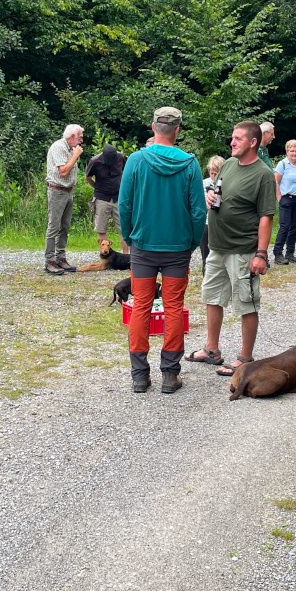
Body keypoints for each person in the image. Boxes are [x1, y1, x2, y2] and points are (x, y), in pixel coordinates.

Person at [117, 107, 207, 395]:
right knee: (173, 308)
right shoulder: (190, 164)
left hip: (143, 246)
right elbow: (197, 211)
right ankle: (170, 374)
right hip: (178, 248)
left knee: (141, 306)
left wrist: (130, 236)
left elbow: (124, 204)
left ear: (154, 127)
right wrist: (192, 242)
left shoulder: (136, 160)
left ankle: (140, 376)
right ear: (177, 130)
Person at [186, 121, 274, 378]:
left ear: (253, 142)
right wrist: (210, 197)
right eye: (232, 138)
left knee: (246, 303)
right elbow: (217, 192)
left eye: (237, 139)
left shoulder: (263, 174)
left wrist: (261, 254)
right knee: (212, 296)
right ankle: (211, 350)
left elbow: (267, 216)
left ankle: (245, 358)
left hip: (244, 249)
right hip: (216, 246)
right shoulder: (228, 164)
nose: (232, 142)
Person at [43, 124, 84, 275]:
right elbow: (64, 172)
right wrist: (75, 156)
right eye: (80, 137)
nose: (81, 141)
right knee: (54, 226)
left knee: (65, 227)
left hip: (68, 192)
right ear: (71, 137)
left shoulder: (70, 148)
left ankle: (61, 258)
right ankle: (49, 261)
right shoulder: (58, 147)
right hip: (57, 191)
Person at [85, 143, 127, 252]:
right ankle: (105, 255)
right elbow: (87, 177)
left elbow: (125, 172)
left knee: (124, 228)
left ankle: (127, 256)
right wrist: (96, 187)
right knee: (101, 228)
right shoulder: (95, 161)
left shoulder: (120, 157)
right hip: (101, 198)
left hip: (118, 197)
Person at [199, 155, 225, 273]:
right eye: (211, 173)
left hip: (223, 225)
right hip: (207, 224)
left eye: (216, 173)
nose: (213, 177)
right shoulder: (203, 184)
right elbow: (198, 207)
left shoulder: (227, 184)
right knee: (207, 258)